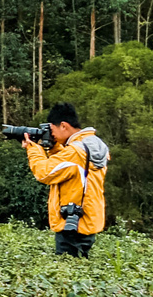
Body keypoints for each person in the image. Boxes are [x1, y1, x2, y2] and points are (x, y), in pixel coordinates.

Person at [23, 102, 108, 257]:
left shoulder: (75, 152)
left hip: (72, 225)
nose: (51, 134)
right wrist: (55, 148)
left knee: (67, 274)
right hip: (86, 220)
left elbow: (44, 173)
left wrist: (33, 149)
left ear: (63, 125)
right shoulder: (92, 145)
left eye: (52, 130)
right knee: (81, 271)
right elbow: (69, 169)